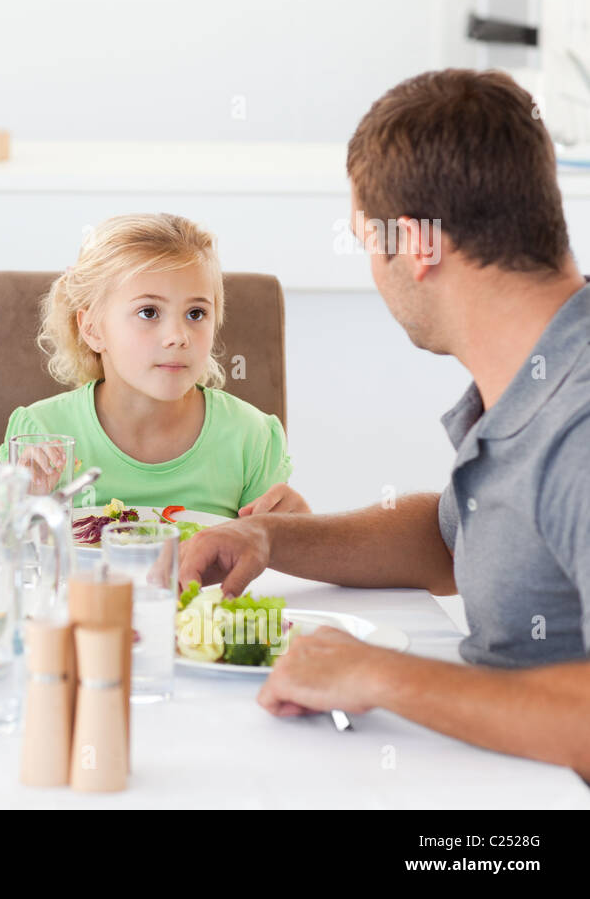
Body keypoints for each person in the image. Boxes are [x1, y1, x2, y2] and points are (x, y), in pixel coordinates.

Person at [179, 69, 590, 779]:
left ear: (419, 244)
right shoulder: (539, 373)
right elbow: (451, 537)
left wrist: (382, 675)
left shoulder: (578, 424)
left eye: (367, 239)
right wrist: (267, 535)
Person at [0, 212, 309, 518]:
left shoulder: (250, 438)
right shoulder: (41, 433)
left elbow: (273, 556)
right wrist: (21, 505)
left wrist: (297, 535)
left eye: (196, 314)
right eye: (148, 312)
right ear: (92, 328)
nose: (178, 337)